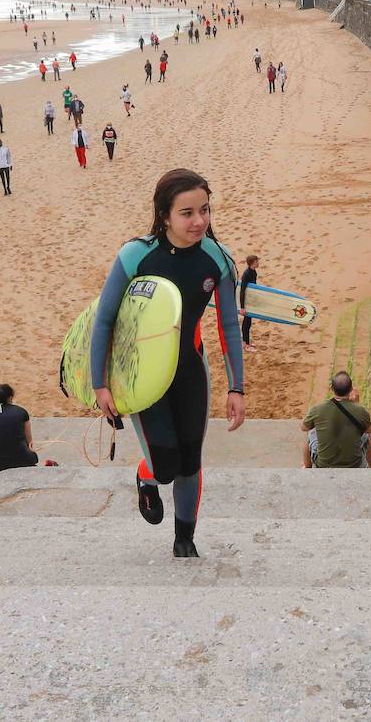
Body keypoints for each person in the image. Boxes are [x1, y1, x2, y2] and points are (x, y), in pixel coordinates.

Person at [89, 168, 246, 558]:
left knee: (190, 462)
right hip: (143, 375)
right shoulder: (136, 256)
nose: (199, 222)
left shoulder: (218, 260)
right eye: (187, 213)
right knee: (165, 467)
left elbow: (228, 325)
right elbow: (104, 320)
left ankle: (184, 540)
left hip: (190, 370)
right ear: (164, 216)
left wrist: (236, 387)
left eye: (205, 211)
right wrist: (100, 383)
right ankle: (146, 476)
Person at [302, 372, 371, 469]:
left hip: (323, 464)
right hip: (354, 464)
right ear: (351, 389)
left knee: (310, 432)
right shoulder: (359, 410)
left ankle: (307, 467)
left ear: (332, 389)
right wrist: (356, 404)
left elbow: (304, 427)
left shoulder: (318, 409)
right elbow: (370, 429)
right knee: (368, 436)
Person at [240, 254, 259, 352]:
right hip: (246, 301)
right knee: (247, 322)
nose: (258, 263)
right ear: (252, 263)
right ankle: (246, 345)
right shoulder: (246, 274)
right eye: (256, 261)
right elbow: (242, 290)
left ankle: (245, 342)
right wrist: (242, 307)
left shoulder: (253, 272)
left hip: (250, 300)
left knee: (248, 322)